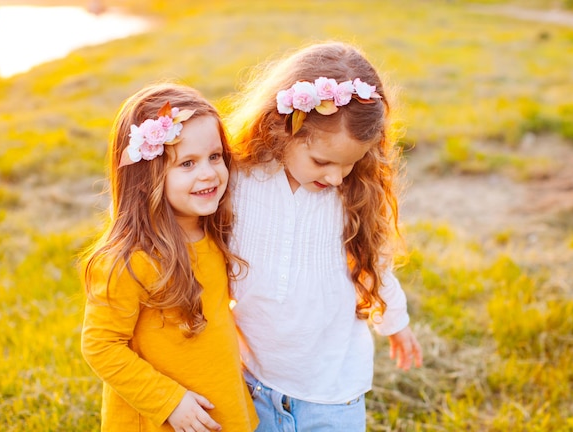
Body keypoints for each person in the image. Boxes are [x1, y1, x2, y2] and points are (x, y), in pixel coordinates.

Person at [225, 41, 423, 431]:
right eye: (322, 161)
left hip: (332, 393)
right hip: (251, 380)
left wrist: (395, 322)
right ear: (283, 129)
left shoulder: (354, 195)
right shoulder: (239, 179)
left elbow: (375, 265)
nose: (335, 177)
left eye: (349, 164)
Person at [80, 82, 258, 432]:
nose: (208, 173)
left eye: (214, 157)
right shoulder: (131, 260)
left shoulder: (214, 232)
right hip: (167, 418)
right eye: (187, 163)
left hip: (222, 405)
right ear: (147, 177)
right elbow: (101, 346)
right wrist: (168, 400)